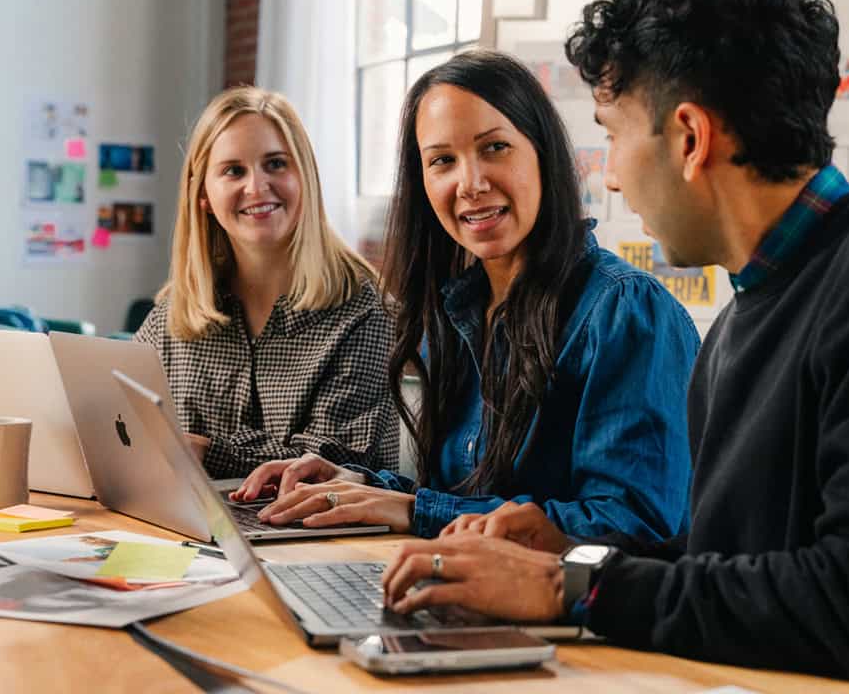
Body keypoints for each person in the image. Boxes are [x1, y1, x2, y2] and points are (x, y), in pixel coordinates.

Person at [376, 0, 849, 694]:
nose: (609, 175)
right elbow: (732, 572)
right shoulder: (755, 306)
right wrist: (568, 555)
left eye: (614, 136)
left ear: (689, 137)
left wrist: (572, 591)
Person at [234, 50, 698, 542]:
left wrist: (415, 509)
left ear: (542, 151)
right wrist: (359, 484)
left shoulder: (624, 310)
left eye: (495, 148)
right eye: (442, 161)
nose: (471, 184)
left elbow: (633, 527)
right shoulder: (458, 311)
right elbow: (466, 493)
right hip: (465, 591)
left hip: (573, 616)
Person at [135, 86, 398, 478]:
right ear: (203, 194)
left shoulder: (364, 311)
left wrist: (205, 452)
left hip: (316, 536)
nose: (256, 187)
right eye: (233, 171)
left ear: (304, 176)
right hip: (179, 529)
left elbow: (340, 462)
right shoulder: (172, 318)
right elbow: (121, 431)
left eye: (275, 164)